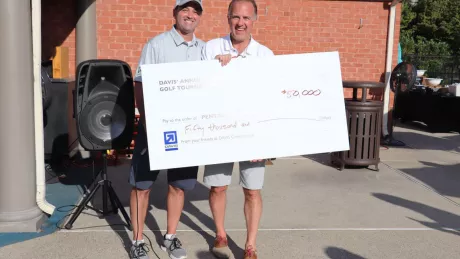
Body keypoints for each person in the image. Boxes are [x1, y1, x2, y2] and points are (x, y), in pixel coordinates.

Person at [129, 1, 205, 258]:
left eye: (196, 11)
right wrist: (148, 121)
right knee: (142, 186)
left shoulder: (205, 50)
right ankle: (138, 241)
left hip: (187, 130)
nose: (190, 15)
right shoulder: (156, 44)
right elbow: (139, 83)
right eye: (186, 9)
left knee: (179, 185)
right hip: (155, 127)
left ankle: (170, 237)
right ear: (175, 13)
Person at [201, 0, 274, 258]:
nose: (240, 22)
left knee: (252, 190)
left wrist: (265, 141)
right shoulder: (210, 48)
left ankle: (250, 245)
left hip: (252, 133)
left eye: (246, 17)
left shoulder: (265, 55)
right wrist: (214, 68)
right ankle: (220, 233)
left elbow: (271, 99)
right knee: (218, 187)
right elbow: (200, 88)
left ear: (254, 20)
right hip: (219, 130)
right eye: (236, 17)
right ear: (228, 18)